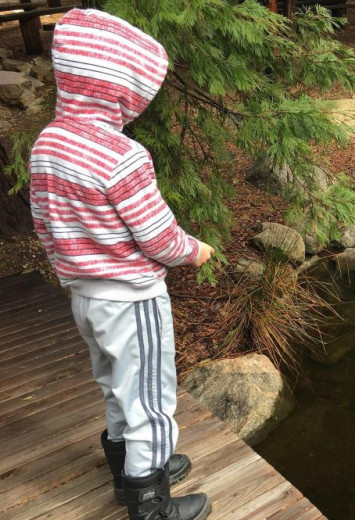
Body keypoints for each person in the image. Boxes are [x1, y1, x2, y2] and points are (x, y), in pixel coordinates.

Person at [29, 8, 213, 520]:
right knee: (151, 400)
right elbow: (158, 237)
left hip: (84, 298)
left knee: (114, 385)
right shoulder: (123, 155)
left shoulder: (48, 144)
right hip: (132, 301)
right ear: (120, 91)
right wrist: (195, 250)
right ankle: (149, 503)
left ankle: (129, 470)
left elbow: (44, 222)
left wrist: (69, 268)